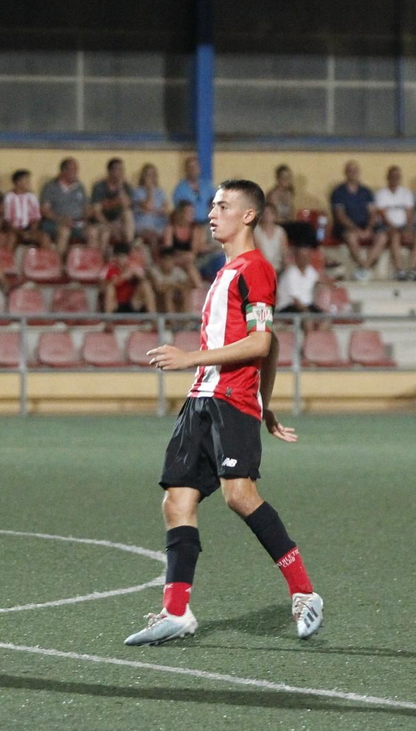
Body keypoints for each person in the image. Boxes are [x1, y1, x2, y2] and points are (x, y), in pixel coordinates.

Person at [131, 179, 323, 645]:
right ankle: (176, 611)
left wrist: (194, 363)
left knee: (240, 495)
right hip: (200, 400)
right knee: (177, 499)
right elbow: (268, 346)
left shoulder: (256, 268)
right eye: (212, 205)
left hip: (228, 401)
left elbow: (261, 342)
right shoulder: (225, 271)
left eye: (222, 205)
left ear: (249, 215)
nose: (211, 213)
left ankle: (305, 594)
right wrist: (268, 403)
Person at [329, 160, 380, 281]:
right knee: (351, 237)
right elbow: (340, 216)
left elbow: (373, 213)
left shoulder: (366, 192)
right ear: (345, 173)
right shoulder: (338, 192)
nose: (353, 173)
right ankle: (364, 266)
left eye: (355, 171)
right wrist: (356, 229)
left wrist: (368, 229)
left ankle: (365, 267)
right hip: (346, 227)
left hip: (364, 226)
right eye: (350, 171)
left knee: (383, 236)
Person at [374, 165, 416, 280]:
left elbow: (409, 213)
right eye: (393, 176)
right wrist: (394, 227)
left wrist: (408, 228)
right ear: (387, 177)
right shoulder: (381, 194)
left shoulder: (406, 193)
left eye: (397, 176)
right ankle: (399, 270)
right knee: (395, 235)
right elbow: (382, 214)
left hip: (404, 226)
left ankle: (413, 270)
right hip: (388, 226)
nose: (395, 178)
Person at [40, 157, 98, 255]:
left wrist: (88, 214)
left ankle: (89, 262)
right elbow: (44, 210)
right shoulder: (50, 187)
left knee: (93, 232)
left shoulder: (80, 187)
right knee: (64, 232)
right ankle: (58, 263)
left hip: (77, 223)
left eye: (76, 169)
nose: (76, 172)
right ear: (63, 171)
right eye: (73, 170)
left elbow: (86, 207)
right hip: (56, 223)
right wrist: (61, 220)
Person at [91, 157, 137, 246]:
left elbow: (127, 205)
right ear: (110, 171)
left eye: (122, 170)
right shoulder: (99, 187)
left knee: (128, 214)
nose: (121, 173)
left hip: (118, 221)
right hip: (102, 221)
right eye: (118, 170)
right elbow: (96, 211)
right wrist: (109, 225)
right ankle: (102, 258)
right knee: (105, 233)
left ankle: (128, 246)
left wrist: (120, 187)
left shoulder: (125, 187)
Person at [277, 242, 322, 314]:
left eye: (307, 256)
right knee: (307, 318)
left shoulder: (310, 271)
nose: (305, 259)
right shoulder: (291, 273)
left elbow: (319, 282)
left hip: (307, 305)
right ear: (296, 257)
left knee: (325, 319)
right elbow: (295, 300)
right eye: (302, 256)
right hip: (288, 307)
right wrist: (307, 312)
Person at [149, 246, 196, 314]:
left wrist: (171, 286)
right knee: (168, 293)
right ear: (160, 260)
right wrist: (175, 285)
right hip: (159, 300)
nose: (168, 263)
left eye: (170, 260)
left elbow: (187, 285)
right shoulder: (154, 271)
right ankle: (171, 321)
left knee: (185, 293)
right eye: (166, 260)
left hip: (175, 297)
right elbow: (159, 288)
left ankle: (187, 320)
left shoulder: (178, 271)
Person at [131, 163, 169, 244]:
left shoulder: (160, 192)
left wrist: (151, 211)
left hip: (159, 224)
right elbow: (148, 206)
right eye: (148, 175)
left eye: (153, 175)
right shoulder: (138, 191)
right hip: (144, 225)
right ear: (143, 177)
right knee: (152, 238)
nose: (151, 178)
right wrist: (150, 191)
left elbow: (165, 210)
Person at [255, 200, 289, 273]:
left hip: (278, 268)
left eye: (270, 213)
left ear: (274, 215)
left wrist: (287, 267)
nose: (267, 216)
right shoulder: (257, 231)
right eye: (265, 213)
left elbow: (284, 252)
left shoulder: (280, 231)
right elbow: (260, 252)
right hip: (262, 267)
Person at [171, 155, 206, 223]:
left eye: (195, 166)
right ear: (185, 170)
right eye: (190, 166)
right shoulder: (179, 190)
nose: (193, 169)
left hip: (208, 224)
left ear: (199, 168)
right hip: (189, 226)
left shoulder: (208, 186)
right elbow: (179, 213)